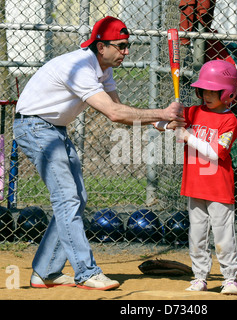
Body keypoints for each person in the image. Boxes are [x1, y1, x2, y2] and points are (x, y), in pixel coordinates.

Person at [13, 16, 184, 291]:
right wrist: (161, 113)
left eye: (127, 46)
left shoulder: (104, 69)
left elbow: (122, 111)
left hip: (54, 129)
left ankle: (45, 272)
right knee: (67, 198)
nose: (126, 52)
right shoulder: (80, 66)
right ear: (100, 46)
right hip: (34, 127)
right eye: (120, 46)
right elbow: (115, 114)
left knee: (77, 198)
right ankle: (86, 272)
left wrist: (160, 122)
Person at [154, 59, 237, 295]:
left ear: (228, 93)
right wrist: (167, 117)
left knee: (223, 234)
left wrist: (188, 136)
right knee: (197, 234)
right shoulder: (193, 112)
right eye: (204, 89)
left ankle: (230, 278)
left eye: (214, 91)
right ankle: (200, 276)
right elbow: (158, 124)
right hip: (194, 185)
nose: (207, 94)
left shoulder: (229, 120)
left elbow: (216, 152)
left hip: (219, 188)